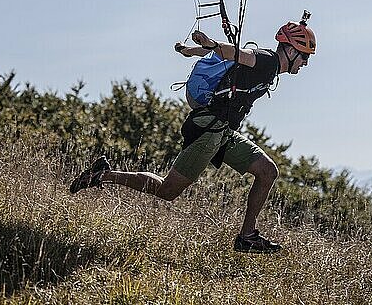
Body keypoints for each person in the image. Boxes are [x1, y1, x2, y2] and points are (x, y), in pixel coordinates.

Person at [70, 18, 316, 253]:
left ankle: (247, 236)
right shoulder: (267, 62)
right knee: (167, 191)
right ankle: (102, 174)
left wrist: (192, 51)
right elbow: (238, 54)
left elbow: (229, 58)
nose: (305, 63)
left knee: (267, 171)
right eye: (304, 56)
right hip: (210, 130)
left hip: (224, 133)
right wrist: (210, 44)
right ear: (291, 51)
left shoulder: (269, 69)